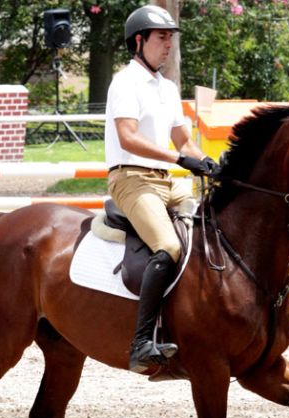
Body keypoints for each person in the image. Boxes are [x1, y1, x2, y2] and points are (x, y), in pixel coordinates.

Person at [105, 5, 218, 373]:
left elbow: (184, 142)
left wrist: (210, 163)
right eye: (162, 37)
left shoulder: (168, 88)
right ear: (139, 41)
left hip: (169, 182)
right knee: (168, 246)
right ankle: (141, 343)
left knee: (211, 232)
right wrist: (178, 158)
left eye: (171, 37)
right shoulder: (125, 82)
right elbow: (128, 137)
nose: (168, 44)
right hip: (132, 179)